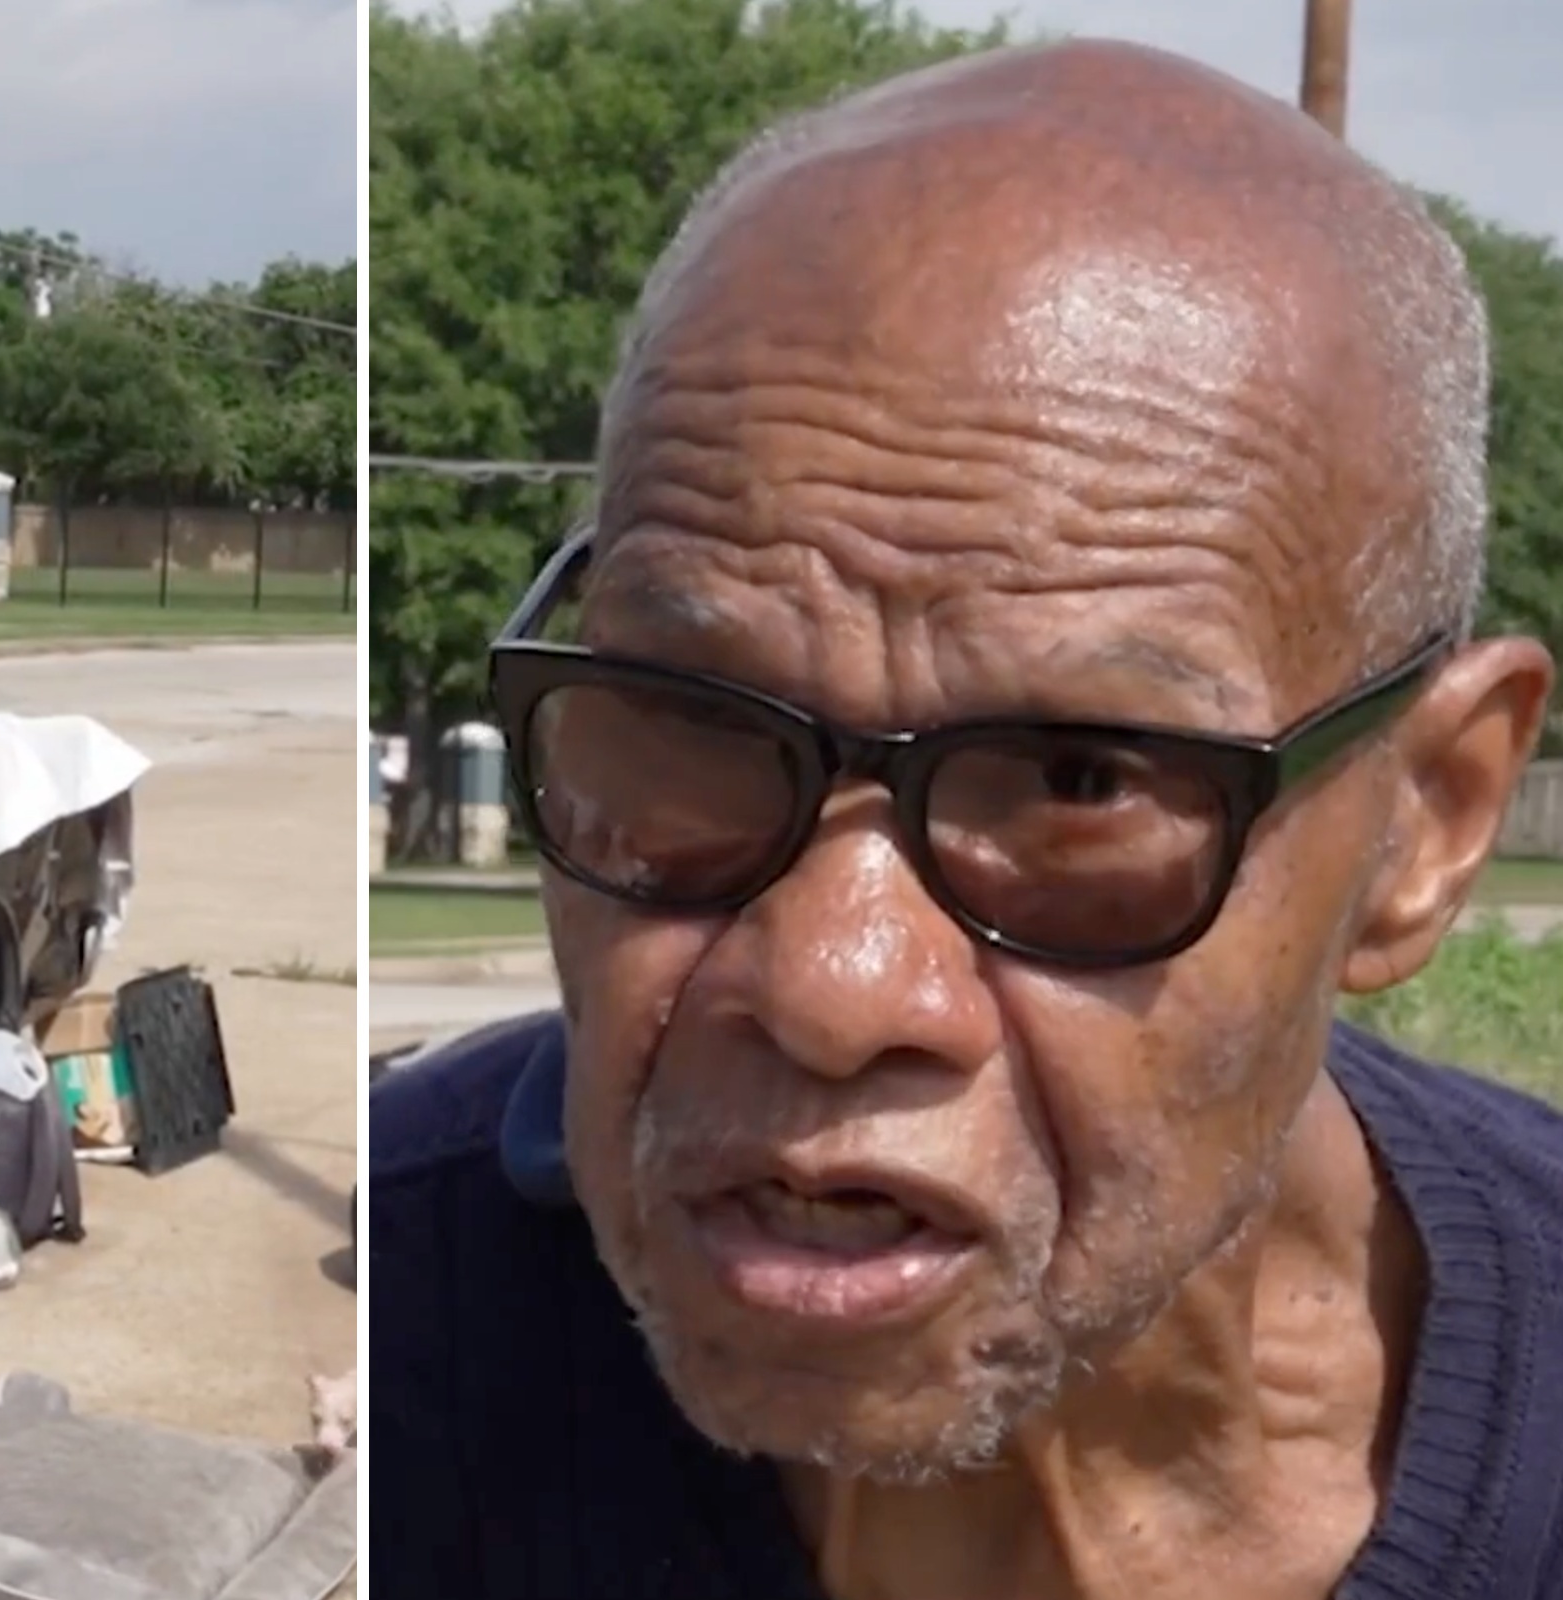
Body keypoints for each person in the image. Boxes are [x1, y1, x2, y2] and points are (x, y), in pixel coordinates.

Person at [369, 39, 1563, 1600]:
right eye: (696, 730)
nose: (828, 988)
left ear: (1426, 822)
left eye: (1079, 781)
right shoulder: (405, 1360)